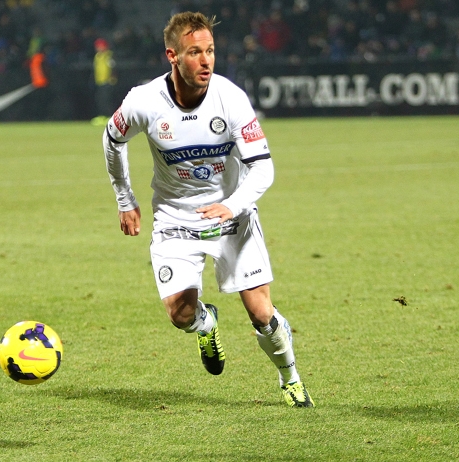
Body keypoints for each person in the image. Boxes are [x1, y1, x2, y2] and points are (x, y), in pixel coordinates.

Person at [103, 11, 314, 407]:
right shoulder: (144, 102)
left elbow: (263, 167)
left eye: (211, 51)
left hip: (232, 217)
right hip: (175, 217)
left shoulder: (229, 98)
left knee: (261, 314)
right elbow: (112, 138)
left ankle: (291, 379)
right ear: (173, 56)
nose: (206, 61)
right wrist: (124, 199)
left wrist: (232, 205)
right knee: (180, 315)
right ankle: (206, 322)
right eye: (195, 52)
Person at [91, 38, 116, 126]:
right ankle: (102, 116)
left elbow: (113, 67)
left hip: (108, 81)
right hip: (100, 81)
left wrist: (112, 78)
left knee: (107, 100)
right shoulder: (97, 56)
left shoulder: (109, 55)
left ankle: (109, 117)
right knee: (100, 100)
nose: (98, 48)